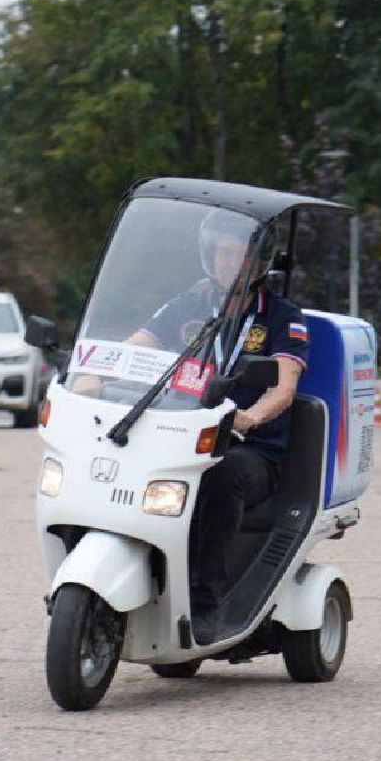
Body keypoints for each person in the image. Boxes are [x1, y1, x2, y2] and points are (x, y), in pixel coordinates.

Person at [126, 210, 310, 645]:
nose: (230, 264)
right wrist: (92, 375)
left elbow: (283, 389)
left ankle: (206, 601)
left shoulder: (283, 317)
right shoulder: (188, 304)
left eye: (239, 255)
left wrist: (249, 417)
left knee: (221, 475)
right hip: (179, 436)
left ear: (260, 261)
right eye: (221, 254)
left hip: (250, 448)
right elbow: (136, 347)